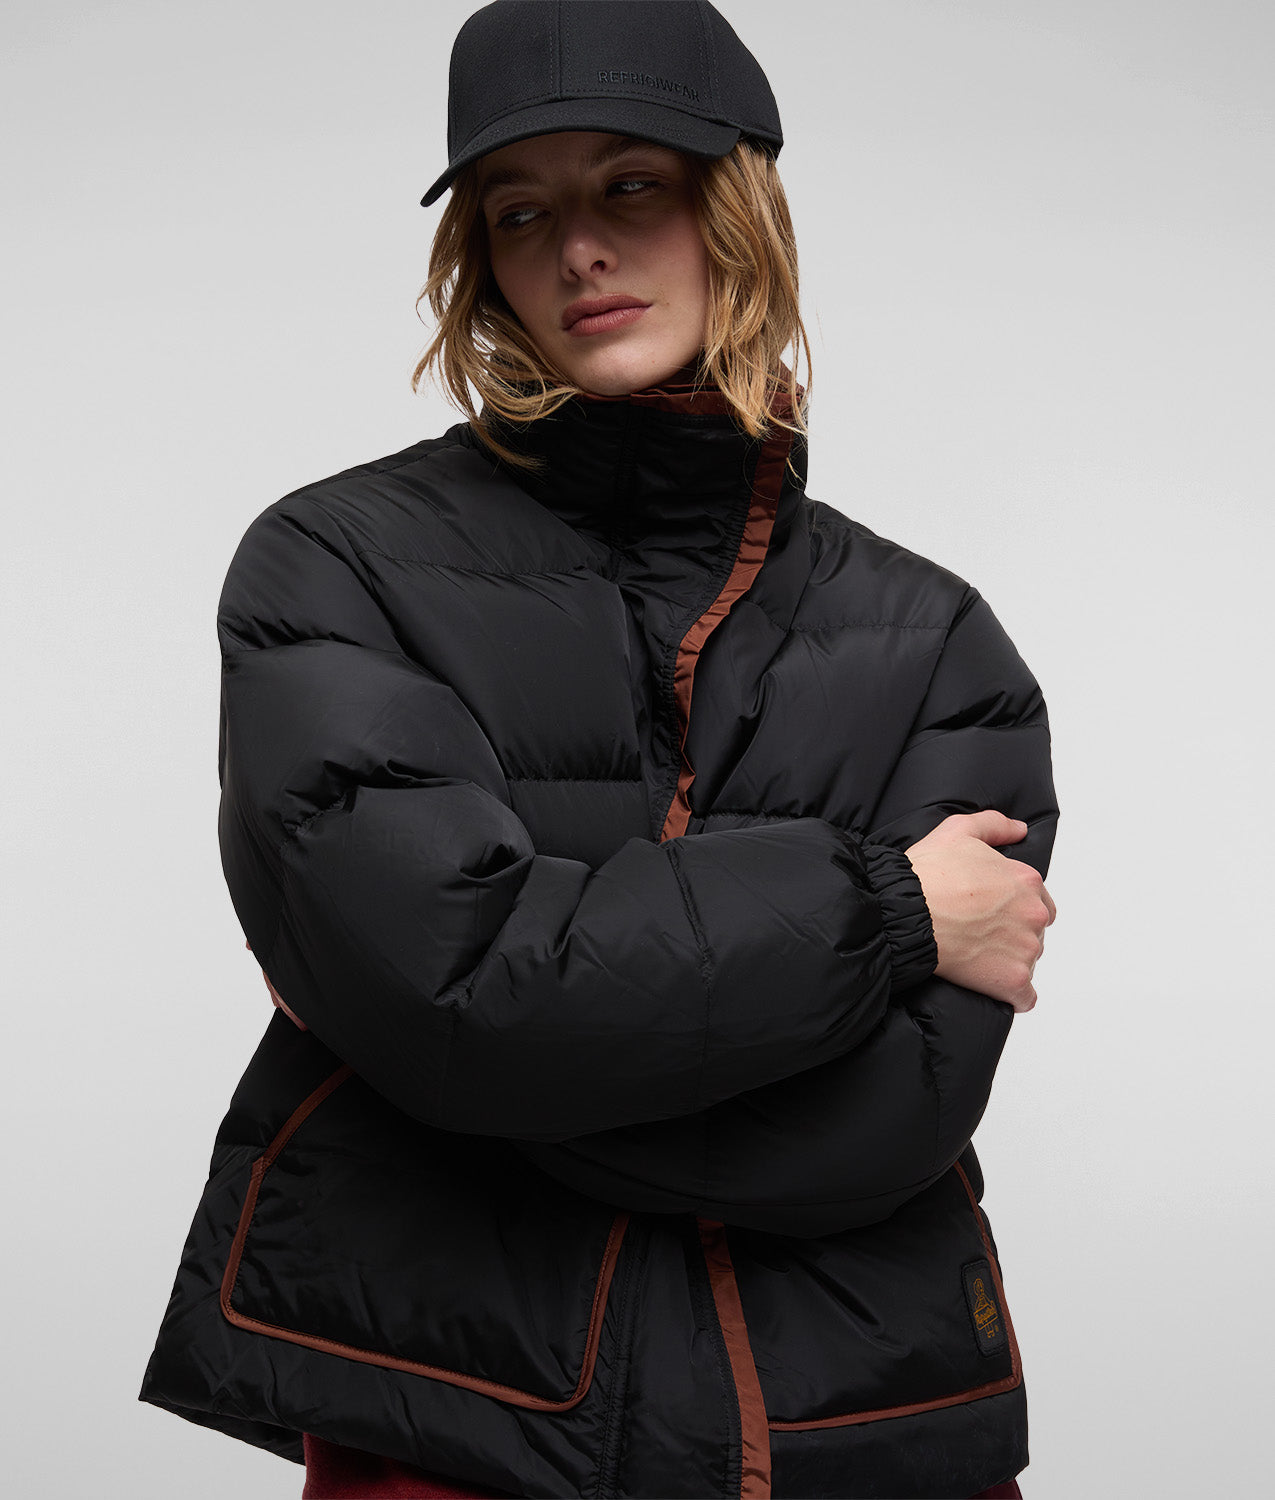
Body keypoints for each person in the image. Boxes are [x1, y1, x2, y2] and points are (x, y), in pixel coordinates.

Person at [138, 4, 1058, 1498]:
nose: (578, 249)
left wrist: (465, 1049)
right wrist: (888, 910)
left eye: (632, 184)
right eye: (521, 211)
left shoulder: (938, 639)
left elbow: (893, 1114)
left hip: (855, 1432)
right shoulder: (334, 565)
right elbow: (463, 995)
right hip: (462, 1427)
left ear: (738, 207)